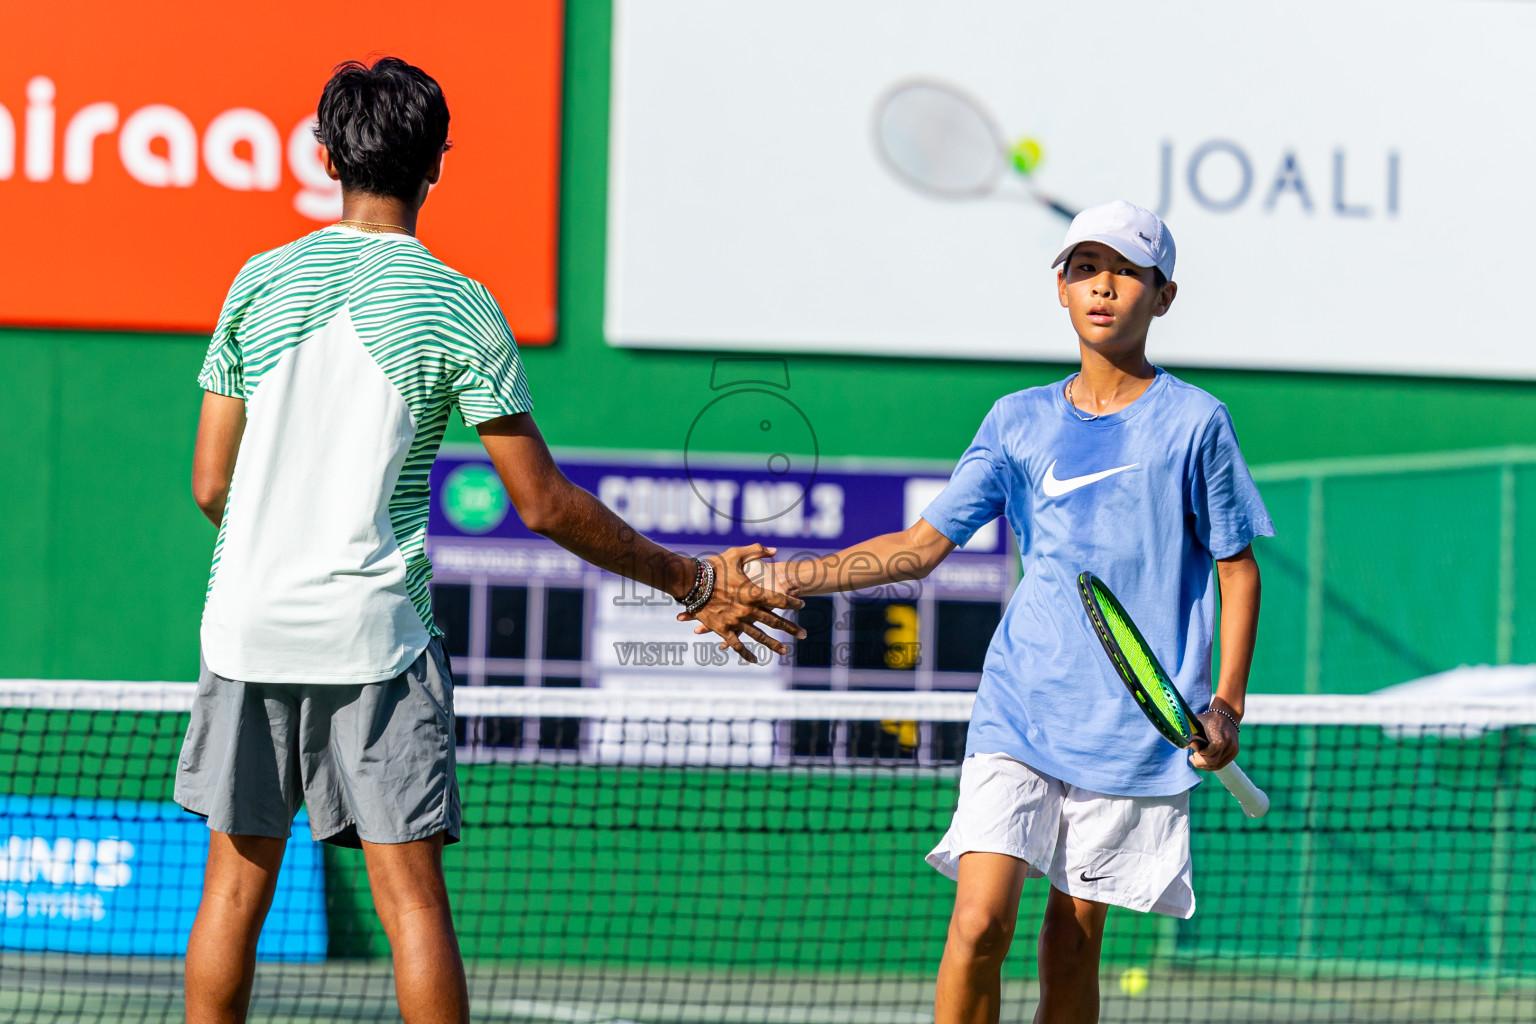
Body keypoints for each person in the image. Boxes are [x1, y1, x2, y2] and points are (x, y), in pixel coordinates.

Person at [175, 57, 802, 1024]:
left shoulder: (258, 282)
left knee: (231, 892)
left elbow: (212, 483)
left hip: (246, 627)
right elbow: (543, 504)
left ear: (327, 153)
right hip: (376, 639)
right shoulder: (459, 303)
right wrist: (692, 580)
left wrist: (279, 546)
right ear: (438, 165)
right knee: (413, 905)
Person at [732, 200, 1271, 1023]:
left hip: (1134, 729)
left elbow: (1237, 571)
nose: (1104, 287)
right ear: (1060, 288)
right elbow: (920, 547)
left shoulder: (1197, 424)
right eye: (1085, 269)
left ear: (1163, 296)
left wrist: (1225, 703)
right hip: (1021, 706)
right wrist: (787, 577)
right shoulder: (1016, 420)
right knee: (980, 922)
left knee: (1071, 944)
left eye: (1127, 271)